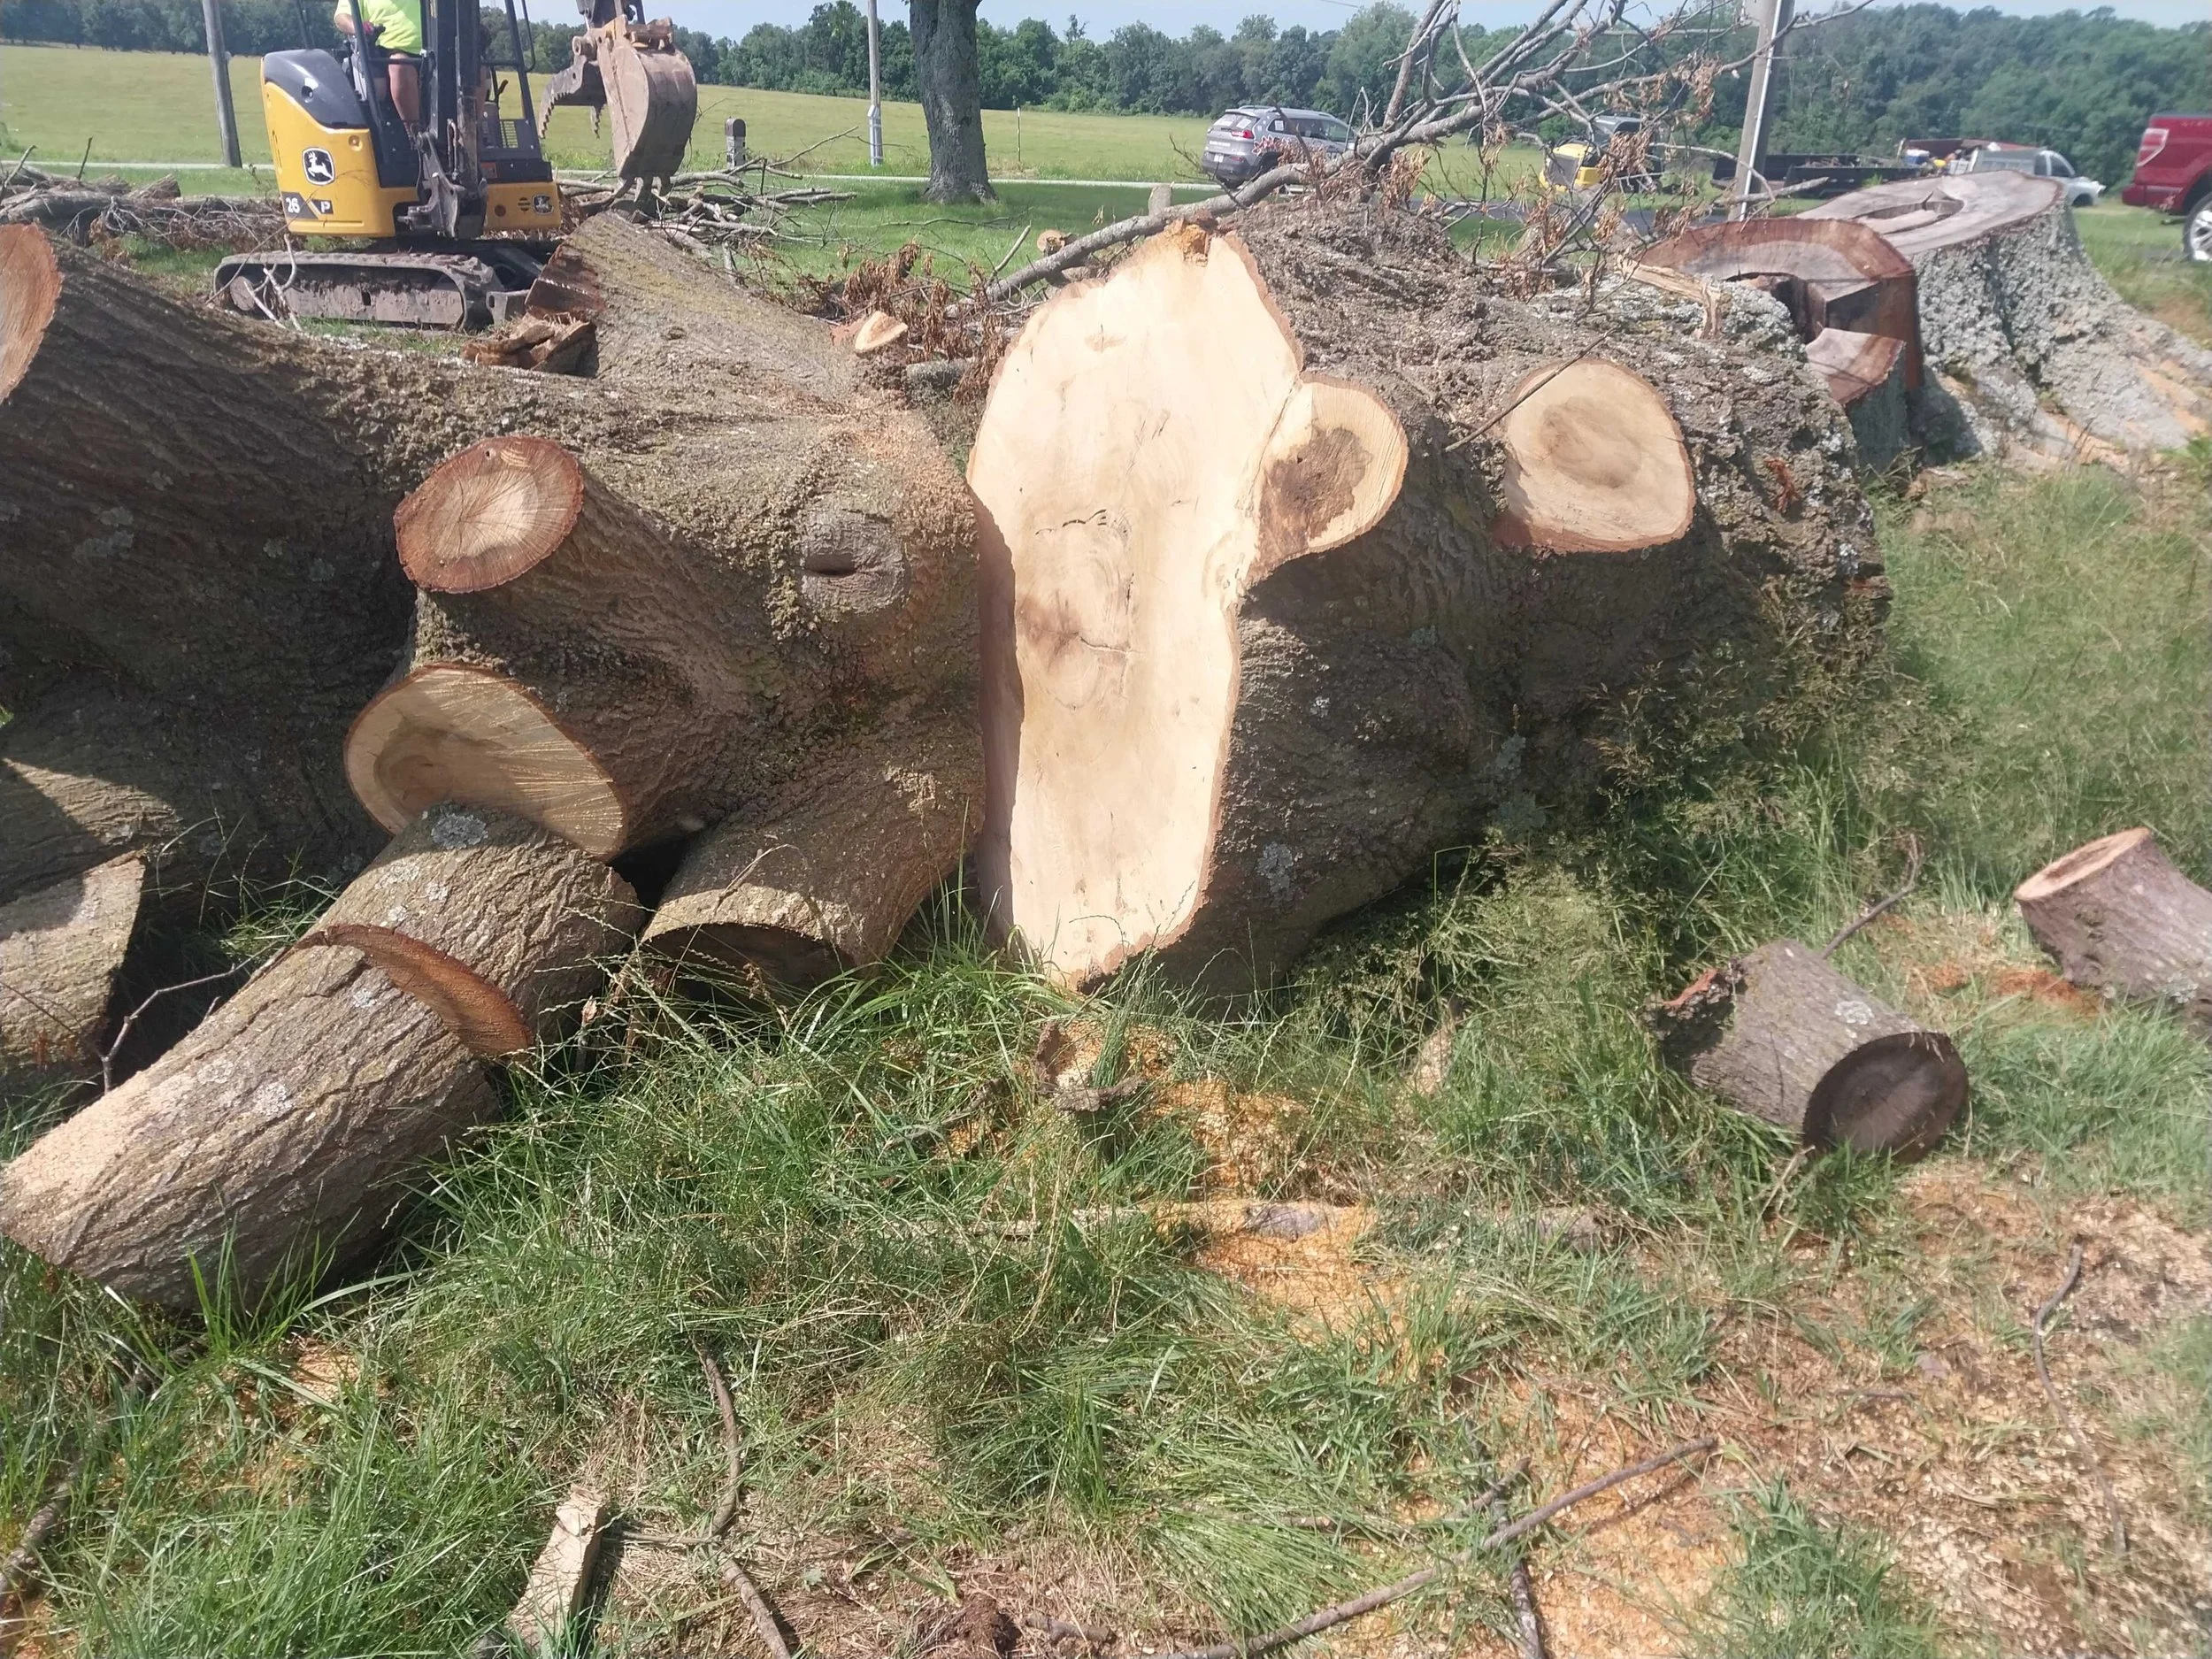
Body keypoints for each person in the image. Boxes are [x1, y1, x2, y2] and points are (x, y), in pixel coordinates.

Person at [333, 0, 424, 129]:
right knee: (400, 66)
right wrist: (358, 27)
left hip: (438, 49)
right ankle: (416, 134)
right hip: (386, 51)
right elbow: (342, 17)